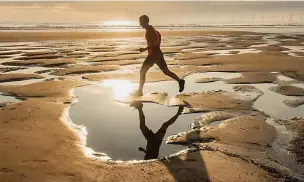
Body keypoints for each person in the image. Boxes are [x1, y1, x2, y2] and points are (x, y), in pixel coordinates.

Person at [132, 15, 185, 96]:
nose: (140, 24)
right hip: (158, 54)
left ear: (146, 21)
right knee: (166, 71)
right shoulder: (153, 30)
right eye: (140, 22)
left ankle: (139, 91)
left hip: (153, 55)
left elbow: (154, 43)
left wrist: (144, 49)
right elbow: (159, 36)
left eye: (141, 22)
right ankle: (180, 81)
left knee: (142, 71)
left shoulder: (149, 30)